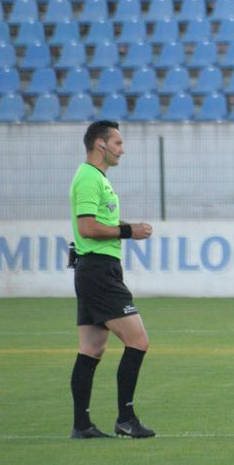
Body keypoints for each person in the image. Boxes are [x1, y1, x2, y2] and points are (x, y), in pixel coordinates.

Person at [68, 120, 156, 439]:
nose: (122, 149)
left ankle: (82, 425)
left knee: (91, 349)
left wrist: (125, 228)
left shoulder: (96, 178)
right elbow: (87, 227)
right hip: (99, 272)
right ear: (100, 145)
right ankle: (126, 418)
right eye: (117, 143)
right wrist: (128, 231)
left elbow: (96, 225)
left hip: (94, 269)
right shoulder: (89, 178)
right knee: (138, 341)